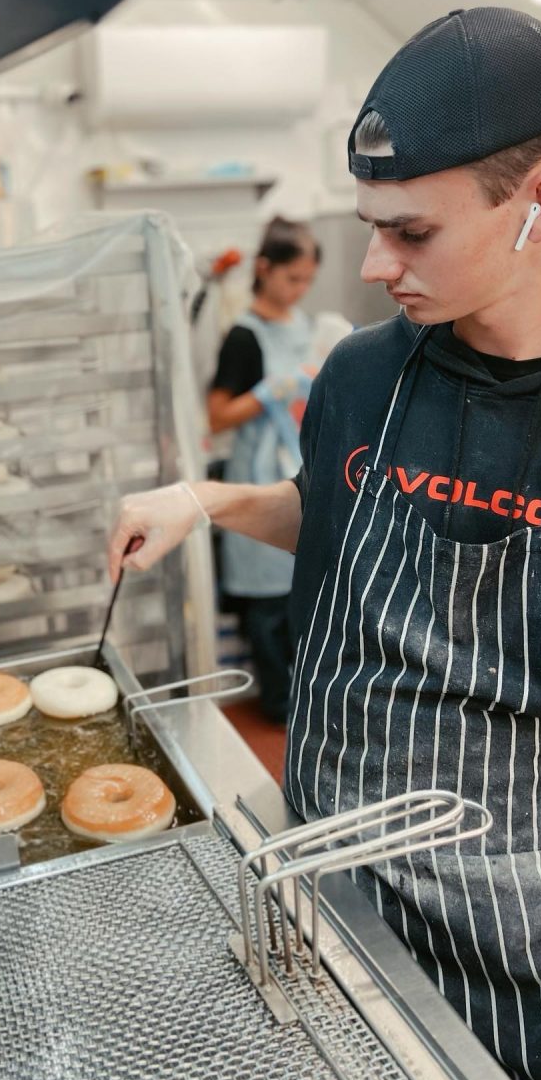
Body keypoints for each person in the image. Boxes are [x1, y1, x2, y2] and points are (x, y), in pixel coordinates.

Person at [110, 8, 541, 1080]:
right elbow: (345, 512)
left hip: (533, 941)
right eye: (367, 226)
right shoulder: (364, 371)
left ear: (540, 202)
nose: (371, 264)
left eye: (410, 231)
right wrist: (207, 500)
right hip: (328, 889)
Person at [207, 217, 320, 723]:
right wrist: (266, 393)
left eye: (307, 280)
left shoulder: (303, 327)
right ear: (264, 270)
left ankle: (306, 697)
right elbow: (217, 414)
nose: (299, 290)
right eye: (292, 279)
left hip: (298, 466)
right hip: (255, 471)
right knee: (267, 601)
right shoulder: (244, 337)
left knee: (302, 589)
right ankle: (277, 704)